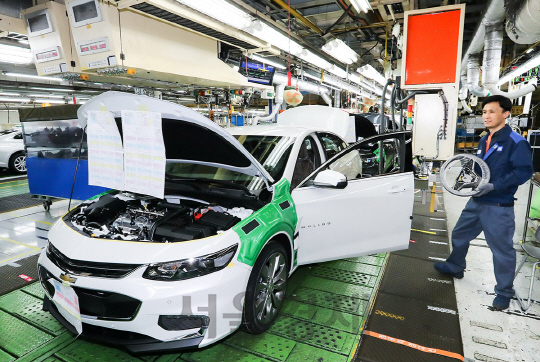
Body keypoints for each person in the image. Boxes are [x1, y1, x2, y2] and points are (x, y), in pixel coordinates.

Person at [434, 95, 533, 310]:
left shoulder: (516, 142)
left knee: (501, 251)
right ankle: (455, 266)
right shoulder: (484, 139)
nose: (486, 116)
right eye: (484, 112)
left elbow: (524, 172)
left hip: (498, 206)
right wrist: (466, 179)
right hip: (476, 201)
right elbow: (479, 167)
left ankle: (504, 293)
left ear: (505, 114)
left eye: (492, 112)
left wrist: (494, 186)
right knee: (459, 234)